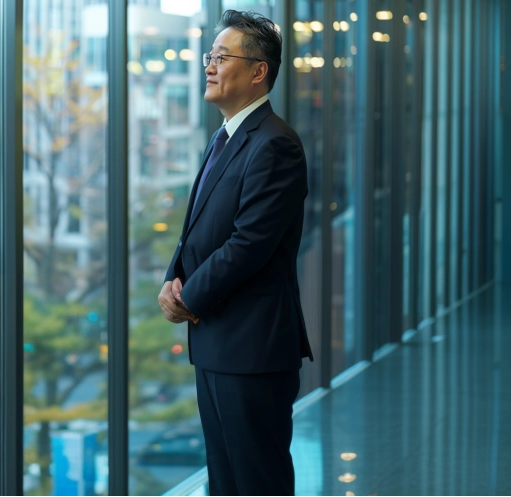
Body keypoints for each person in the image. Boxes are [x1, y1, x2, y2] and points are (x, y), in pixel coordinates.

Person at [157, 9, 313, 497]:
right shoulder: (224, 138)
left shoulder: (275, 145)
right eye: (210, 56)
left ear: (258, 70)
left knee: (256, 481)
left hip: (252, 347)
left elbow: (249, 243)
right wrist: (172, 278)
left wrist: (190, 298)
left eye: (221, 57)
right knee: (224, 480)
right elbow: (199, 227)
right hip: (219, 343)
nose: (209, 66)